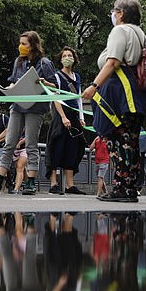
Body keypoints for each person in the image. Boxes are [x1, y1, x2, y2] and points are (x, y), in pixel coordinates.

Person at [81, 0, 146, 203]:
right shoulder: (141, 35)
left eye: (114, 10)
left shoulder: (120, 31)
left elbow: (113, 62)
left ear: (122, 13)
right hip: (137, 93)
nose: (113, 14)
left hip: (120, 92)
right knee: (131, 141)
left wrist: (94, 86)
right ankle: (129, 187)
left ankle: (121, 187)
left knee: (118, 140)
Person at [0, 31, 56, 194]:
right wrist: (10, 88)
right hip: (18, 106)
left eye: (24, 44)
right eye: (20, 44)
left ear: (34, 45)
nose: (21, 47)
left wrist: (44, 82)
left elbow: (55, 86)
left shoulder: (44, 63)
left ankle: (31, 182)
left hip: (35, 107)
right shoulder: (18, 62)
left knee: (31, 143)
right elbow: (14, 81)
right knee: (9, 142)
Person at [45, 46, 86, 195]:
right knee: (57, 146)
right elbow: (56, 97)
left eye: (70, 55)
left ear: (74, 59)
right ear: (60, 59)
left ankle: (70, 185)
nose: (67, 57)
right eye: (64, 56)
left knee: (73, 149)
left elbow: (78, 97)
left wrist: (81, 117)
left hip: (74, 116)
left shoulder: (77, 77)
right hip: (61, 115)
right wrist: (63, 117)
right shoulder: (57, 76)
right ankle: (53, 183)